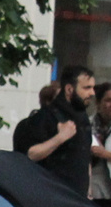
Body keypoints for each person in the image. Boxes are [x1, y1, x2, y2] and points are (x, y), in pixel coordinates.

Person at [13, 64, 94, 194]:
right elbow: (30, 154)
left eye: (92, 88)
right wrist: (59, 138)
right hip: (52, 195)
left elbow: (83, 155)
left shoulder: (82, 118)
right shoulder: (44, 118)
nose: (92, 93)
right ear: (69, 89)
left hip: (78, 196)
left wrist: (89, 185)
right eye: (87, 88)